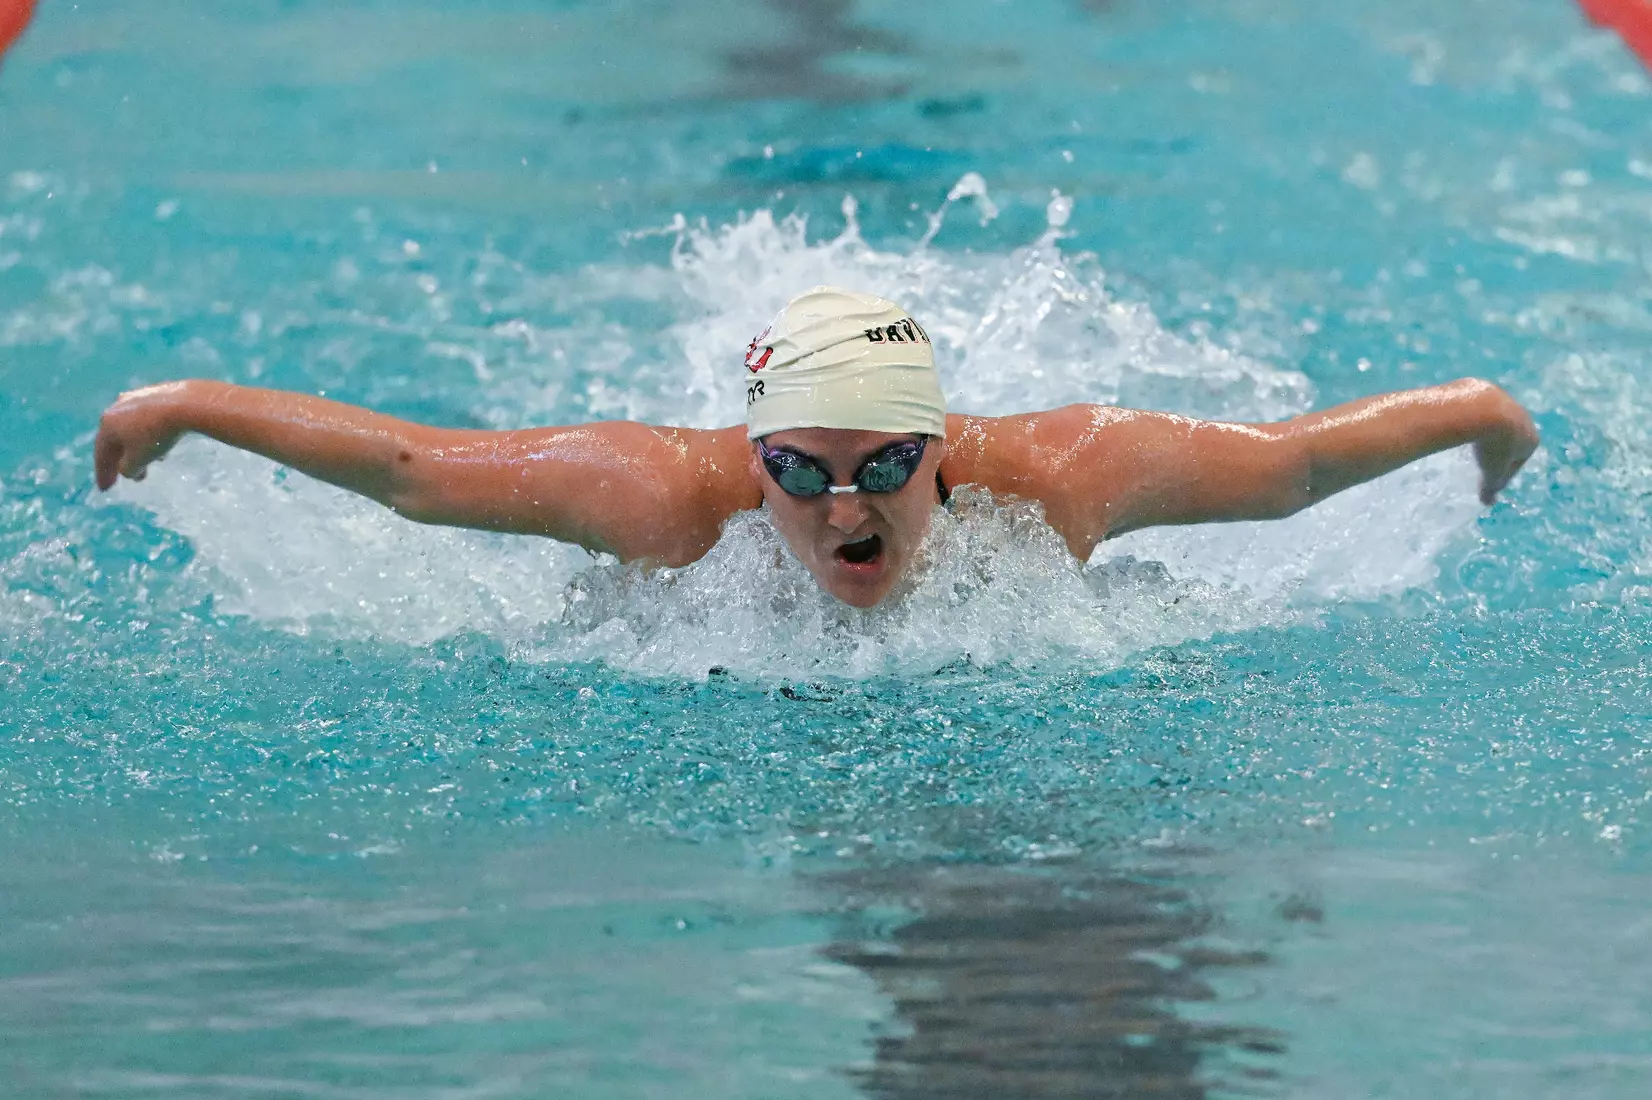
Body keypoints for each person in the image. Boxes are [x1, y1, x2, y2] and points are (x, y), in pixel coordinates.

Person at [94, 286, 1540, 609]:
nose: (840, 502)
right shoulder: (662, 498)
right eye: (797, 470)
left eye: (878, 469)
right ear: (755, 455)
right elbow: (418, 474)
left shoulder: (1057, 480)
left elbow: (1287, 470)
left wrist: (1480, 415)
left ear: (940, 458)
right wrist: (187, 403)